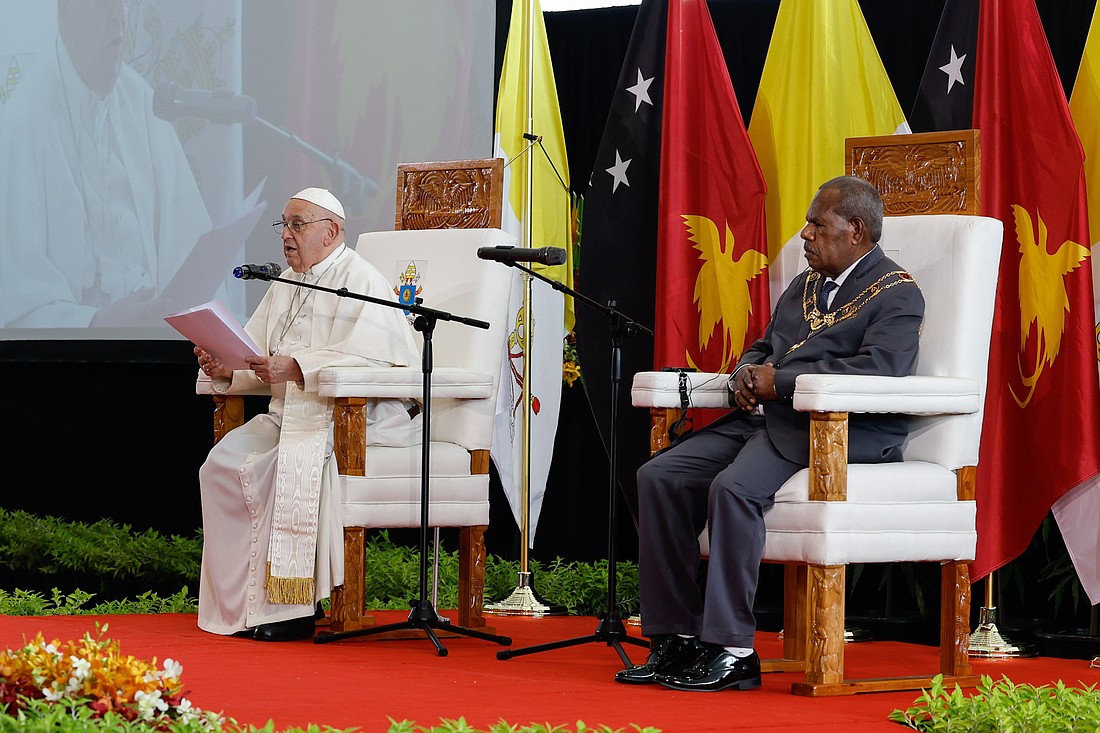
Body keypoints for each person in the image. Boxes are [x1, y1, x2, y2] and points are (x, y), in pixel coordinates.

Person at [617, 176, 925, 691]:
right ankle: (675, 640)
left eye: (817, 225)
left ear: (856, 230)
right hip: (765, 418)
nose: (804, 235)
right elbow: (766, 345)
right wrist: (747, 371)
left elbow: (882, 371)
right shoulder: (806, 283)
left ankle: (733, 650)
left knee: (733, 490)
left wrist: (779, 382)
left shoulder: (898, 294)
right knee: (659, 477)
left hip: (832, 428)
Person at [194, 187, 421, 641]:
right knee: (219, 466)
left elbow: (387, 363)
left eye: (297, 225)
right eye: (284, 225)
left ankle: (289, 611)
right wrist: (225, 365)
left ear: (331, 230)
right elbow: (255, 355)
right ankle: (242, 608)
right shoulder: (284, 281)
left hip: (347, 421)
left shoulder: (361, 280)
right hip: (288, 414)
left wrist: (299, 367)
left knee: (276, 468)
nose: (286, 236)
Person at [0, 0, 262, 329]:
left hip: (156, 338)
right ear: (65, 9)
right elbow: (16, 306)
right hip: (75, 360)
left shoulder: (141, 102)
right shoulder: (22, 124)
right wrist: (96, 324)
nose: (116, 15)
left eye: (121, 3)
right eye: (102, 4)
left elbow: (185, 250)